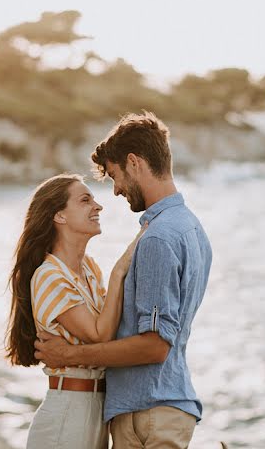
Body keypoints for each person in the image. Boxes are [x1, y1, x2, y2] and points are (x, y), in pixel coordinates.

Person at [34, 112, 213, 449]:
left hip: (149, 411)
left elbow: (155, 345)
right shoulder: (191, 228)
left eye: (115, 176)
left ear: (134, 163)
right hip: (153, 407)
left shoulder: (158, 238)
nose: (115, 191)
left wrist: (69, 356)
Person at [5, 173, 146, 449]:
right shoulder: (49, 276)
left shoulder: (89, 269)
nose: (98, 206)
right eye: (85, 200)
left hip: (97, 411)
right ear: (59, 216)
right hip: (68, 414)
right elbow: (99, 334)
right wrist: (119, 271)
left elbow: (115, 327)